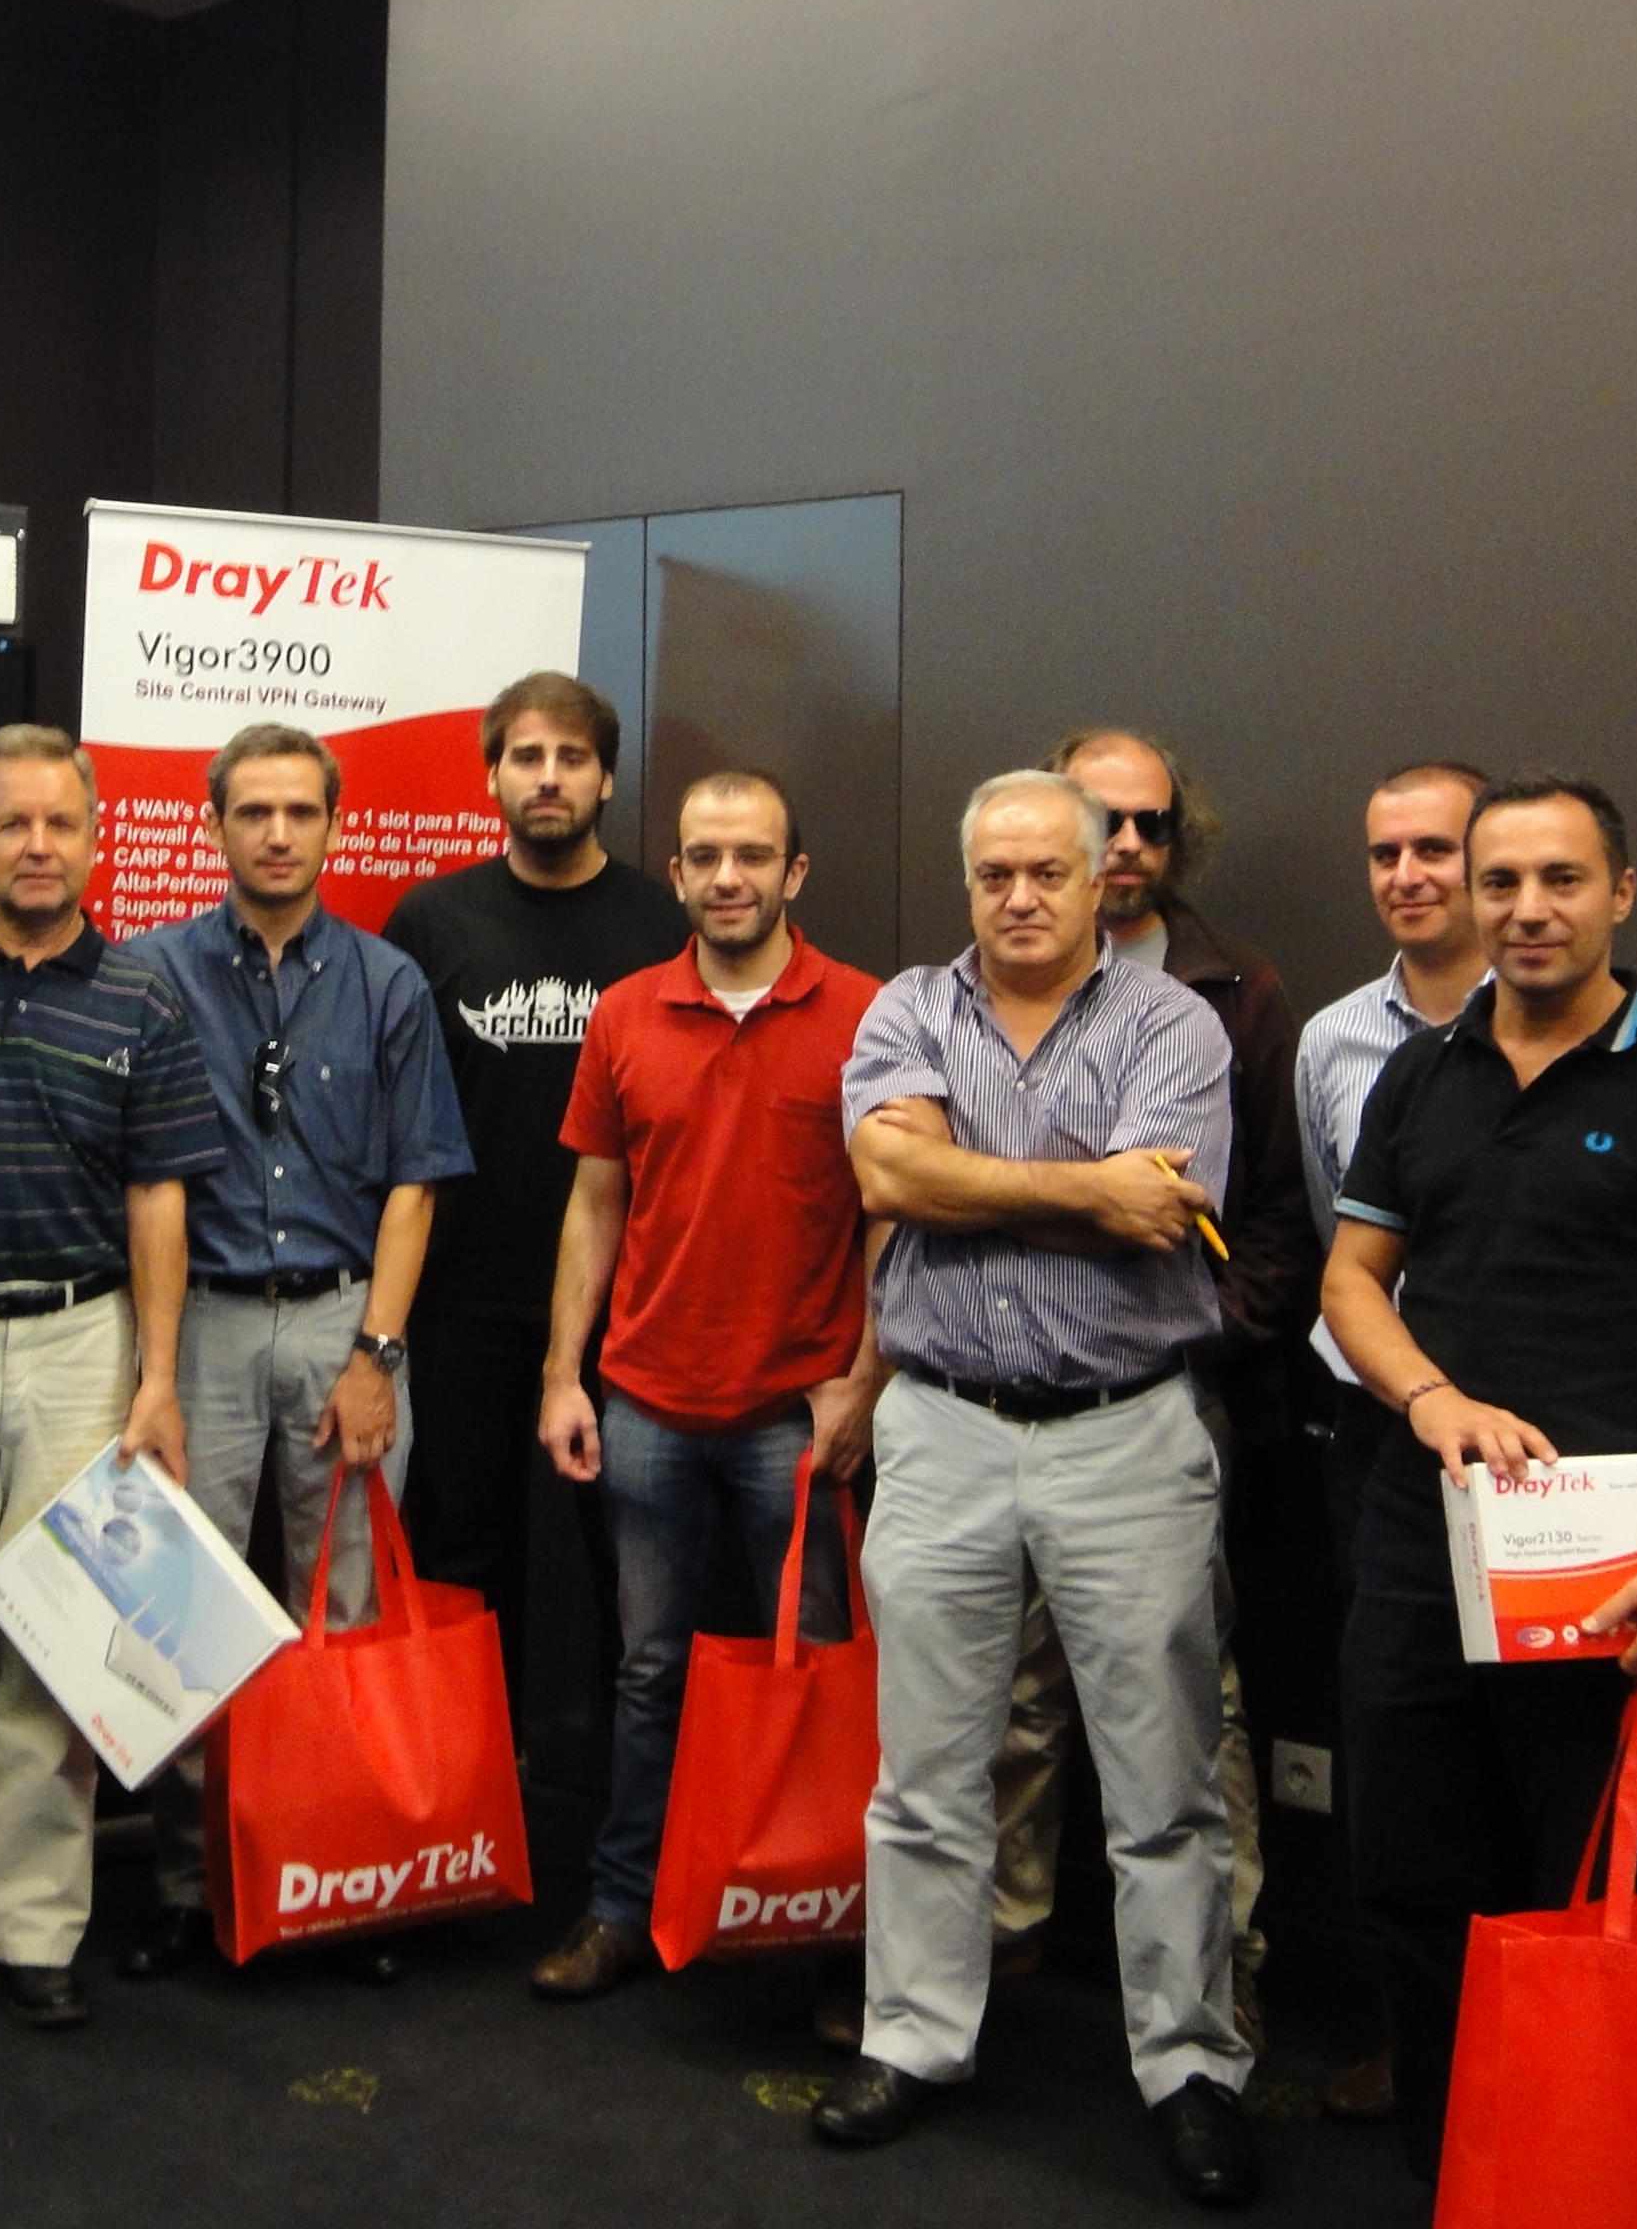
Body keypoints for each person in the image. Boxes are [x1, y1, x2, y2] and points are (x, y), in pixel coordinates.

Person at [1321, 773, 1637, 2185]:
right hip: (1427, 1544)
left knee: (1602, 1901)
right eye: (1502, 883)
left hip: (1623, 1572)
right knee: (1413, 1885)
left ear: (1621, 894)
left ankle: (1591, 2182)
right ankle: (1459, 2178)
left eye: (1562, 880)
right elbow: (1352, 1281)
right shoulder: (1421, 1074)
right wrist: (1432, 1397)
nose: (1528, 910)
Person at [816, 770, 1258, 2211]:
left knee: (1165, 1786)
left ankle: (1190, 2068)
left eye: (1046, 874)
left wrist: (963, 1173)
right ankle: (912, 2038)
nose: (1018, 897)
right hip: (941, 1427)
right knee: (926, 1775)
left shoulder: (1171, 1023)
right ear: (969, 884)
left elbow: (1161, 1212)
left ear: (1097, 879)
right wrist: (1083, 1185)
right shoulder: (907, 1010)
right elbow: (889, 1181)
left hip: (1125, 1436)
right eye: (994, 874)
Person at [0, 723, 224, 2035]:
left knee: (59, 1653)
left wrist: (157, 1377)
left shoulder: (144, 1000)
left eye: (61, 824)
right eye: (11, 824)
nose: (37, 846)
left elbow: (159, 1199)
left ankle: (33, 1926)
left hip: (85, 1339)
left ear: (95, 840)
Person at [526, 772, 885, 2013]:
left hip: (801, 1416)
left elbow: (893, 1218)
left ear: (795, 873)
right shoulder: (626, 1013)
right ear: (675, 874)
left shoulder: (868, 1015)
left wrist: (864, 1382)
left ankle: (831, 1927)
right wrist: (563, 1374)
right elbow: (595, 1204)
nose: (728, 877)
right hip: (649, 1408)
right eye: (705, 857)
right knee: (648, 1676)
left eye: (754, 855)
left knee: (819, 1676)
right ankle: (624, 1907)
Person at [121, 723, 471, 1983]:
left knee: (352, 1607)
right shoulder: (151, 973)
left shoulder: (387, 983)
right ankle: (187, 1883)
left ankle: (345, 1874)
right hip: (201, 1320)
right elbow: (141, 1175)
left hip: (343, 1320)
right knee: (183, 1612)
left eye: (301, 812)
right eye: (254, 812)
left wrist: (377, 1353)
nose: (278, 834)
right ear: (215, 826)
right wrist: (154, 1368)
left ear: (334, 825)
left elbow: (417, 1185)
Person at [984, 728, 1316, 2048]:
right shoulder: (977, 979)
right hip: (1004, 1397)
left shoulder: (1235, 988)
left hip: (1168, 1398)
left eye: (1149, 824)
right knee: (1008, 1695)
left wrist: (1198, 1334)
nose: (1125, 845)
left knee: (1188, 1701)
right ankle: (995, 1948)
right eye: (1100, 818)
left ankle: (1216, 1975)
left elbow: (1278, 1212)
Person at [384, 672, 687, 1734]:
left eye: (571, 758)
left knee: (634, 1576)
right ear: (492, 778)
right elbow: (395, 1119)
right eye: (526, 757)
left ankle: (624, 1810)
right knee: (458, 1567)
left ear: (606, 779)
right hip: (461, 1302)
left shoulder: (662, 923)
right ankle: (467, 1792)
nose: (548, 777)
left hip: (625, 1312)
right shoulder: (430, 920)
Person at [1285, 756, 1489, 2126]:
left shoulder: (1592, 1033)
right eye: (1385, 853)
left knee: (1526, 1755)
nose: (1408, 875)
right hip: (1379, 1432)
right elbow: (1339, 1246)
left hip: (1536, 1448)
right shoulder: (1332, 1041)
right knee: (1396, 1752)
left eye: (1436, 849)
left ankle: (1532, 2043)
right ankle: (1417, 2048)